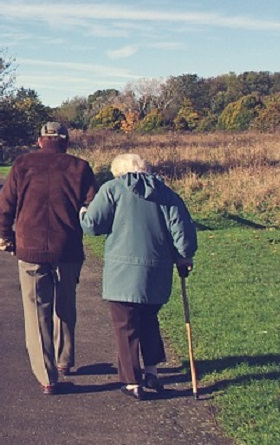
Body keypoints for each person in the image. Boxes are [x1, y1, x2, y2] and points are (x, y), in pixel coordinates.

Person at [80, 153, 198, 400]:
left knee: (125, 326)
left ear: (119, 172)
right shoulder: (167, 193)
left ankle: (132, 381)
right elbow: (183, 233)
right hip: (157, 272)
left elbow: (92, 225)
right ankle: (152, 371)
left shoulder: (112, 189)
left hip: (122, 273)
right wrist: (184, 257)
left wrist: (83, 212)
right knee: (149, 319)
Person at [0, 122, 97, 395]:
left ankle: (47, 377)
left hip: (30, 247)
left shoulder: (22, 164)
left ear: (40, 141)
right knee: (65, 304)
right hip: (68, 249)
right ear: (65, 142)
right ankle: (64, 360)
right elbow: (92, 206)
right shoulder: (80, 167)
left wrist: (6, 236)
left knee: (36, 311)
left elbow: (5, 204)